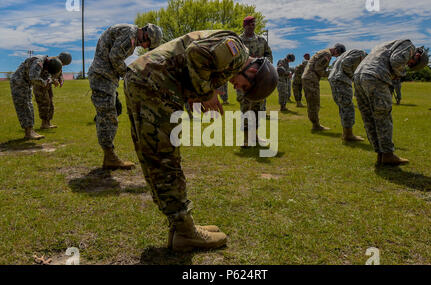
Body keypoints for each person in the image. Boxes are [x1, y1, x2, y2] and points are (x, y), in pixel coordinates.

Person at [123, 30, 278, 252]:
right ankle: (185, 232)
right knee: (164, 158)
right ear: (253, 70)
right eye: (244, 86)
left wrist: (197, 94)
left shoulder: (233, 60)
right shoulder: (237, 51)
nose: (237, 87)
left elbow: (190, 64)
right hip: (154, 82)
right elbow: (196, 53)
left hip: (147, 79)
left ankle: (181, 226)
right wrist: (207, 94)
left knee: (155, 154)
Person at [88, 23, 162, 170]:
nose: (145, 47)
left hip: (105, 77)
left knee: (110, 112)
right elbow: (115, 57)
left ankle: (109, 155)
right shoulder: (130, 35)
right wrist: (128, 75)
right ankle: (109, 157)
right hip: (103, 77)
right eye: (148, 44)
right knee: (108, 116)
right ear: (147, 35)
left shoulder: (129, 32)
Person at [353, 40, 428, 165]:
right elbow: (396, 61)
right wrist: (400, 73)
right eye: (411, 63)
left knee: (369, 117)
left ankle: (380, 154)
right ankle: (388, 154)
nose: (408, 64)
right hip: (375, 76)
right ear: (418, 55)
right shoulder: (409, 45)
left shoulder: (387, 45)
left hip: (359, 75)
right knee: (382, 116)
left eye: (410, 66)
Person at [238, 15, 273, 145]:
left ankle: (255, 137)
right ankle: (246, 139)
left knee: (258, 108)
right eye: (249, 24)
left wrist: (265, 65)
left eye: (253, 24)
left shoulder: (261, 40)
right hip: (244, 80)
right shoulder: (238, 41)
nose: (252, 26)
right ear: (244, 25)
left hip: (259, 80)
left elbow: (268, 54)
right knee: (246, 108)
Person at [10, 55, 62, 140]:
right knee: (24, 106)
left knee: (29, 106)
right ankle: (28, 132)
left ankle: (30, 131)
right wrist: (45, 83)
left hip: (26, 83)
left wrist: (51, 80)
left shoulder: (46, 63)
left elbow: (46, 76)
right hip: (18, 82)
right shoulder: (39, 62)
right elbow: (34, 77)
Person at [302, 43, 346, 131]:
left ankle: (315, 124)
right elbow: (318, 69)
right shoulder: (327, 54)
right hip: (311, 79)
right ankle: (316, 125)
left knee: (313, 102)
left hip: (309, 78)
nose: (336, 56)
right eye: (338, 54)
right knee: (314, 102)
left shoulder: (324, 52)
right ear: (337, 50)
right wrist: (332, 74)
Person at [328, 49, 367, 141]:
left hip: (336, 79)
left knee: (344, 107)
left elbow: (337, 64)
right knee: (347, 107)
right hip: (341, 80)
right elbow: (345, 63)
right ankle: (348, 135)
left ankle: (346, 133)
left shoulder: (351, 53)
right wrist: (352, 77)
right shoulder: (361, 54)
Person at [33, 52, 72, 129]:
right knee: (44, 104)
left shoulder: (58, 63)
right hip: (40, 85)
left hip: (48, 85)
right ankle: (44, 124)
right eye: (64, 64)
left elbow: (60, 74)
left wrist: (61, 80)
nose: (63, 66)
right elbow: (45, 75)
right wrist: (53, 80)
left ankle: (48, 123)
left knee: (50, 103)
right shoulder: (49, 62)